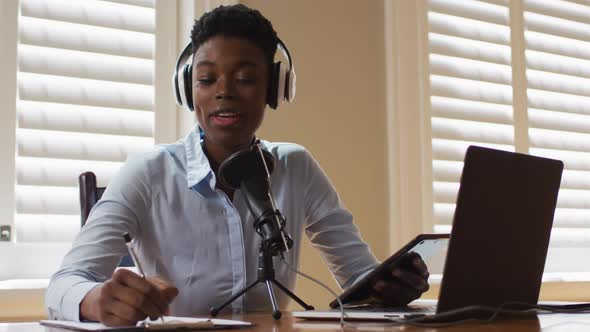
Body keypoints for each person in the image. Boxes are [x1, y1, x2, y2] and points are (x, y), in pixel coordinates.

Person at [45, 4, 429, 326]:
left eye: (245, 78)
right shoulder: (148, 172)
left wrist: (386, 290)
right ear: (187, 88)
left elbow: (358, 276)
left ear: (275, 89)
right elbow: (64, 284)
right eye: (207, 78)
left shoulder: (295, 167)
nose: (223, 91)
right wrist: (96, 300)